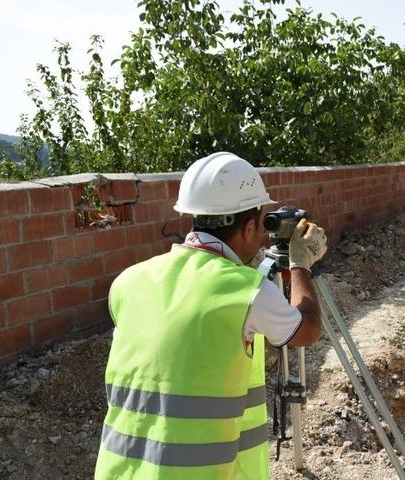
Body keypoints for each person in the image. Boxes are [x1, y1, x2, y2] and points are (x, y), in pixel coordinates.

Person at [94, 152, 327, 479]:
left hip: (118, 472)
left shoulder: (129, 282)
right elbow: (308, 330)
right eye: (260, 225)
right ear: (248, 227)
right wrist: (300, 262)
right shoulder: (247, 291)